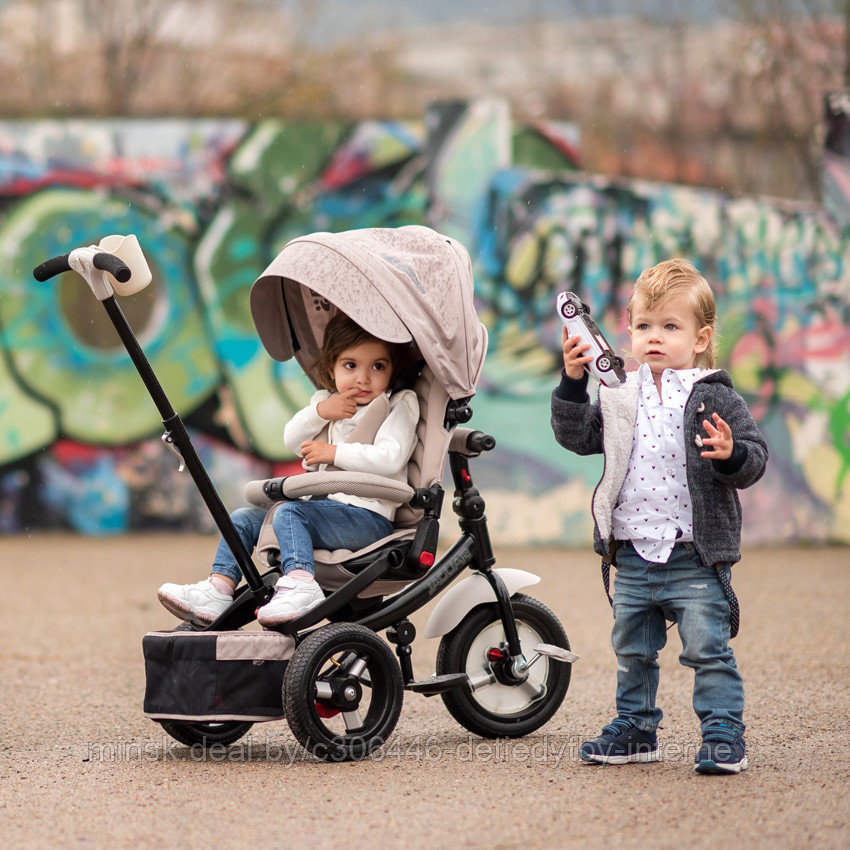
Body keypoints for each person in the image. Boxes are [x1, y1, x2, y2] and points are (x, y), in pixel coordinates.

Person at [550, 259, 768, 775]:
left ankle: (721, 731)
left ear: (699, 338)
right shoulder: (619, 392)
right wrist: (573, 381)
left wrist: (731, 452)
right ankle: (636, 728)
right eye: (644, 326)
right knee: (633, 651)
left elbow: (754, 460)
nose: (654, 337)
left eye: (670, 327)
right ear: (628, 330)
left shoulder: (716, 395)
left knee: (707, 650)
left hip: (694, 554)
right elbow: (578, 437)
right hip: (631, 552)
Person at [158, 312, 419, 627]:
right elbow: (292, 439)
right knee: (242, 518)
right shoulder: (327, 403)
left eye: (377, 366)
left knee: (290, 513)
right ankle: (219, 589)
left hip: (368, 518)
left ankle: (301, 584)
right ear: (332, 366)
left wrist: (334, 451)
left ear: (391, 371)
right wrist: (322, 411)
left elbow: (390, 457)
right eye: (350, 365)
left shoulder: (398, 404)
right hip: (326, 511)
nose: (363, 378)